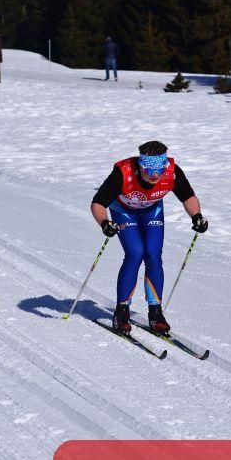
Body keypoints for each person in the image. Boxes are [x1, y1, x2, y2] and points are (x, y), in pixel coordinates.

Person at [89, 140, 208, 335]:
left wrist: (197, 216)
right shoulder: (123, 173)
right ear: (140, 165)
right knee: (135, 253)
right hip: (123, 210)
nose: (155, 175)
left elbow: (188, 196)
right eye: (149, 170)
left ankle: (155, 312)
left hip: (151, 210)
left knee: (153, 254)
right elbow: (98, 203)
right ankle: (122, 312)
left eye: (160, 170)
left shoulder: (172, 172)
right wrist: (104, 223)